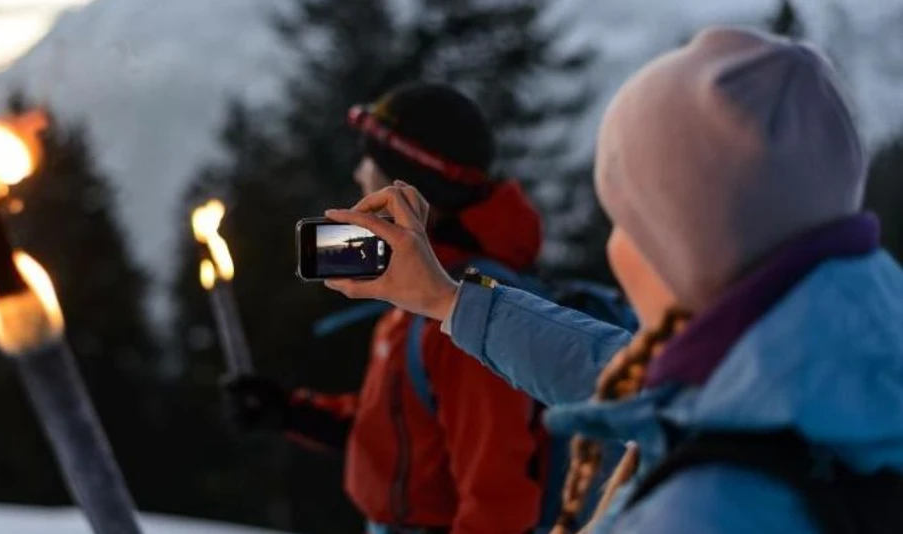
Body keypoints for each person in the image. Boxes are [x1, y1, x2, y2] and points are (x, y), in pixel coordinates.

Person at [324, 27, 903, 533]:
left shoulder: (702, 509)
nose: (614, 243)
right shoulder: (831, 366)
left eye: (625, 220)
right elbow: (615, 370)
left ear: (675, 247)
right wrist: (447, 301)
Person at [223, 83, 629, 534]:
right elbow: (404, 426)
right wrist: (292, 411)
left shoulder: (464, 309)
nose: (359, 174)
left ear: (405, 186)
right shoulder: (420, 288)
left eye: (368, 161)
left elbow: (497, 499)